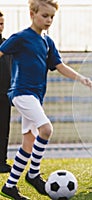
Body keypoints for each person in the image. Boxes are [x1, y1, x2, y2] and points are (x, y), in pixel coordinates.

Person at [0, 0, 92, 199]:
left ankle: (10, 186)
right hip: (21, 92)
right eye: (45, 16)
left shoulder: (47, 41)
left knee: (28, 142)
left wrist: (80, 77)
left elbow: (59, 65)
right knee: (47, 129)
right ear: (32, 14)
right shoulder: (21, 37)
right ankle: (33, 174)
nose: (49, 20)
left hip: (36, 96)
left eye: (52, 16)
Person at [0, 11, 12, 174]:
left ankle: (1, 162)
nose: (0, 27)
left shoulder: (8, 44)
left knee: (3, 129)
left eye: (1, 24)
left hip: (4, 93)